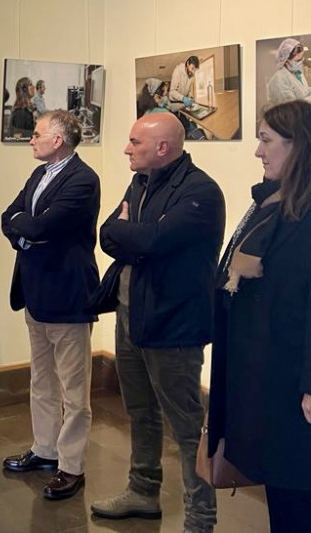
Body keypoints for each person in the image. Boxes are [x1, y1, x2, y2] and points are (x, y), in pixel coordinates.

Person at [207, 100, 311, 533]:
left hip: (304, 394)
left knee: (305, 503)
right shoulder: (277, 205)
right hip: (271, 386)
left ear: (300, 146)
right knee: (283, 497)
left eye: (265, 140)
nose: (258, 151)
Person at [90, 112, 224, 533]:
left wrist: (139, 235)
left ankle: (201, 520)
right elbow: (108, 233)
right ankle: (143, 492)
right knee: (140, 410)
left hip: (174, 324)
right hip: (131, 314)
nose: (127, 149)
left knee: (186, 426)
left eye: (135, 142)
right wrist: (138, 235)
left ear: (162, 148)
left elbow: (153, 241)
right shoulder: (141, 182)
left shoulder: (201, 193)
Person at [1, 110, 100, 501]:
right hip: (35, 292)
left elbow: (42, 226)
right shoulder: (39, 174)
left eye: (37, 134)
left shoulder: (83, 179)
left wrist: (28, 228)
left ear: (58, 140)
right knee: (41, 380)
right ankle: (45, 450)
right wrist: (26, 231)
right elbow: (9, 217)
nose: (31, 139)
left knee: (75, 390)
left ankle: (71, 466)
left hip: (68, 294)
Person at [266, 38, 311, 107]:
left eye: (301, 59)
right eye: (297, 60)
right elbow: (293, 108)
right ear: (286, 60)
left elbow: (305, 91)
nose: (300, 63)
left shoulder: (297, 73)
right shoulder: (279, 80)